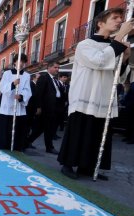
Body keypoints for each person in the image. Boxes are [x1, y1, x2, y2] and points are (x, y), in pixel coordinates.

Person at [58, 8, 132, 180]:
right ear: (100, 23)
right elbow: (99, 61)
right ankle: (68, 164)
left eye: (121, 19)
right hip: (86, 94)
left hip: (104, 96)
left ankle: (88, 167)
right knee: (80, 130)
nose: (119, 21)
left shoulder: (114, 47)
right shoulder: (85, 45)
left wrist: (126, 57)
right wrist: (120, 37)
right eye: (114, 18)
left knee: (97, 133)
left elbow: (118, 76)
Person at [0, 54, 31, 151]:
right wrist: (13, 84)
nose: (21, 63)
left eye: (23, 61)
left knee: (18, 127)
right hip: (7, 104)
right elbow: (2, 88)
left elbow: (27, 90)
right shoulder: (7, 74)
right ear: (14, 62)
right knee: (5, 127)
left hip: (18, 106)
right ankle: (2, 144)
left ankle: (16, 146)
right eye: (19, 61)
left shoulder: (27, 75)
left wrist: (21, 96)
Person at [27, 61, 63, 154]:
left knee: (43, 128)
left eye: (58, 68)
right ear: (49, 68)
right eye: (55, 67)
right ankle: (49, 147)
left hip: (55, 108)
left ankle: (28, 141)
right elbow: (38, 93)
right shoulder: (44, 78)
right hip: (46, 108)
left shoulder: (55, 80)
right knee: (44, 128)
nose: (57, 69)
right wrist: (38, 107)